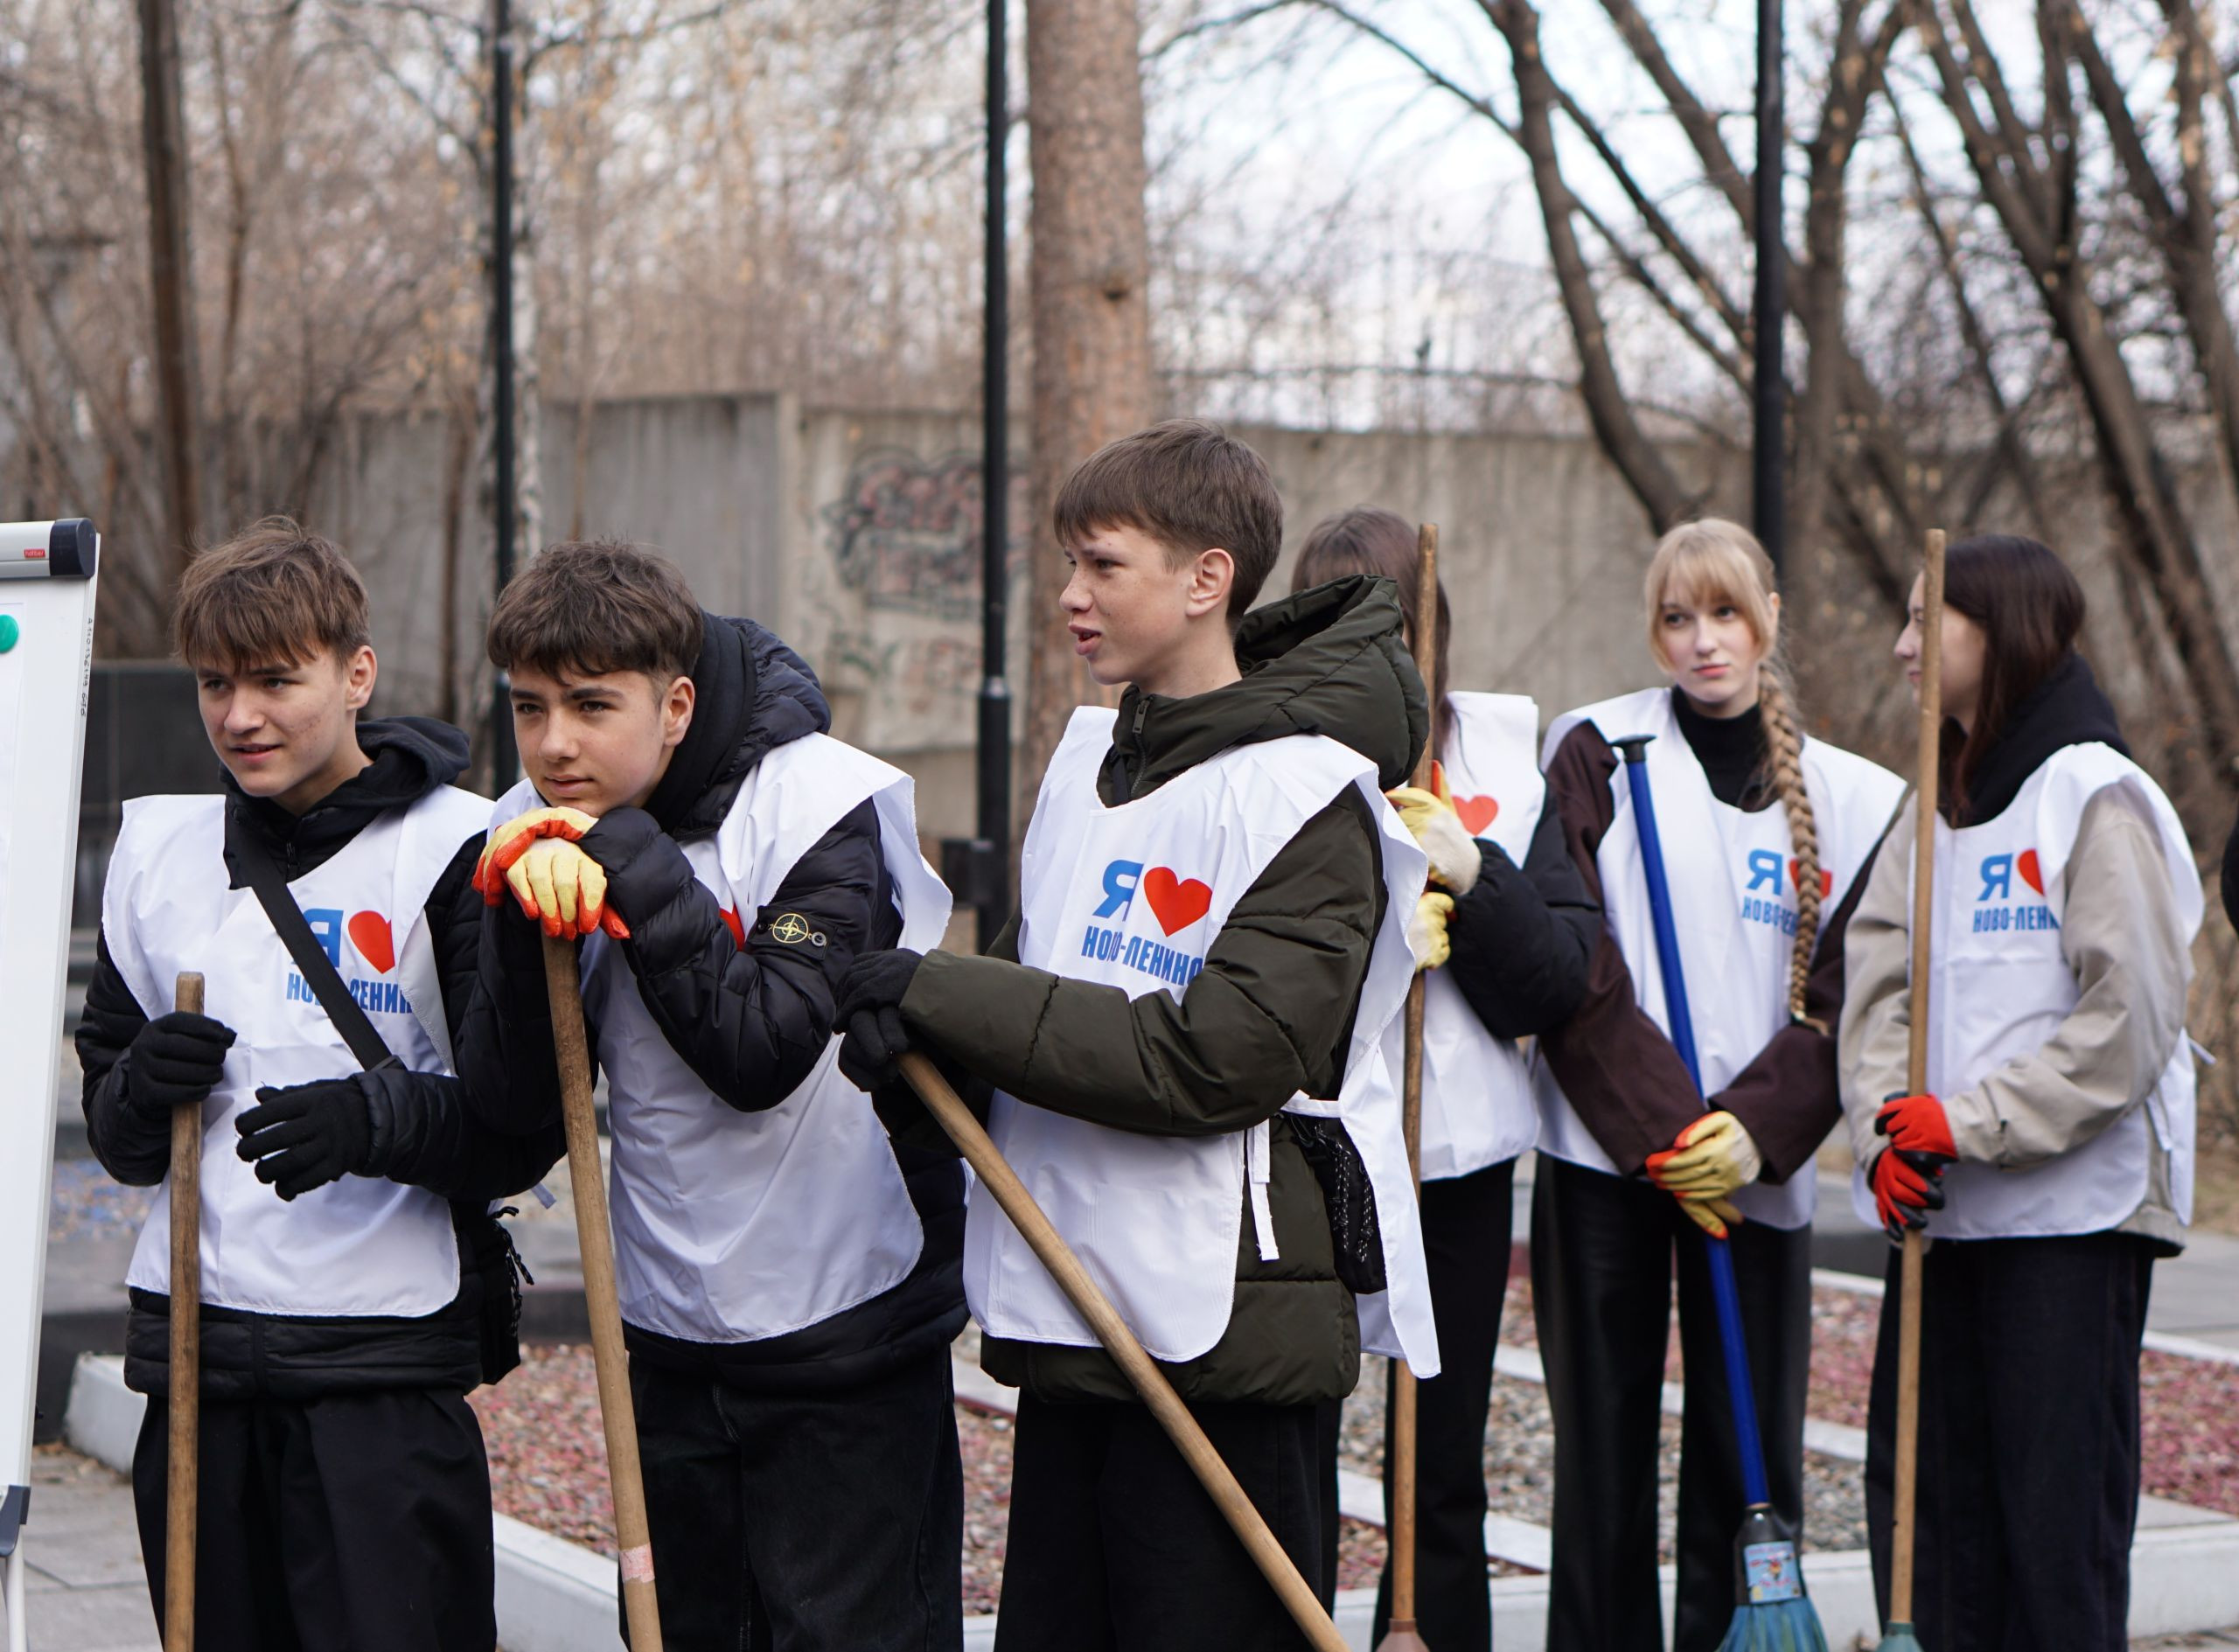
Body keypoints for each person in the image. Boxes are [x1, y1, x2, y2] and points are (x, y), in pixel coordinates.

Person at [829, 420, 1440, 1651]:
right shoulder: (1083, 767)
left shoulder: (1311, 796)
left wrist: (934, 990)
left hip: (1222, 1334)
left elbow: (1215, 1057)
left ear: (1206, 578)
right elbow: (1038, 998)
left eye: (1104, 564)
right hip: (1076, 1314)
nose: (1070, 595)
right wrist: (916, 1052)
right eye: (1070, 562)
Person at [464, 538, 965, 1651]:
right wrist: (507, 924)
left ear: (676, 703)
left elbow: (761, 1052)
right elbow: (513, 1121)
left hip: (845, 1322)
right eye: (529, 707)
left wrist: (633, 865)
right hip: (670, 1328)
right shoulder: (524, 817)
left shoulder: (818, 801)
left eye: (592, 706)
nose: (554, 743)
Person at [75, 518, 561, 1650]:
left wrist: (374, 1117)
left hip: (376, 1385)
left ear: (356, 674)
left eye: (275, 680)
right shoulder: (158, 854)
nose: (239, 717)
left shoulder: (460, 848)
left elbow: (518, 1132)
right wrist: (144, 1084)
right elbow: (119, 1136)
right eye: (215, 683)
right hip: (199, 1373)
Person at [1533, 518, 1903, 1652]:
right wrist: (1669, 1125)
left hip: (1755, 1175)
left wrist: (1748, 1133)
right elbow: (1574, 960)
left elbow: (1855, 995)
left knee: (1750, 1459)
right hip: (1605, 1160)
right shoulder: (1595, 748)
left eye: (1726, 614)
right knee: (1601, 1452)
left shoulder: (1857, 799)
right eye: (1678, 618)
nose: (1703, 642)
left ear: (1769, 620)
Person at [1840, 534, 2200, 1648]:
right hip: (1943, 1219)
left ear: (1999, 637)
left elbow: (2127, 1019)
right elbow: (1876, 981)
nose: (1900, 645)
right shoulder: (1931, 800)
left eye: (1924, 621)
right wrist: (1882, 1131)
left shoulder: (2097, 795)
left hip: (2068, 1226)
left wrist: (1973, 1120)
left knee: (2053, 1538)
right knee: (1933, 1525)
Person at [1288, 507, 1598, 1646]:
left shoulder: (1505, 774)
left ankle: (1424, 1627)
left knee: (1443, 1448)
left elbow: (1556, 981)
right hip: (1311, 1150)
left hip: (1454, 1154)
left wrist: (1472, 883)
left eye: (1394, 628)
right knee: (1295, 1432)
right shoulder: (1276, 755)